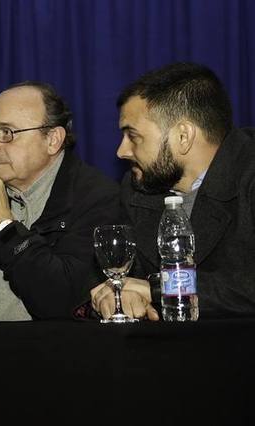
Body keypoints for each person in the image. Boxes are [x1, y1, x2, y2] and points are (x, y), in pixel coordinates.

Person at [0, 81, 121, 321]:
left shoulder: (98, 198)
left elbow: (63, 302)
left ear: (52, 139)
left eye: (6, 132)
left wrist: (3, 224)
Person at [90, 61, 255, 320]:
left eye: (133, 136)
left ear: (183, 136)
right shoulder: (137, 188)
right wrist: (119, 294)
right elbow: (128, 277)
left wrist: (162, 289)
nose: (121, 152)